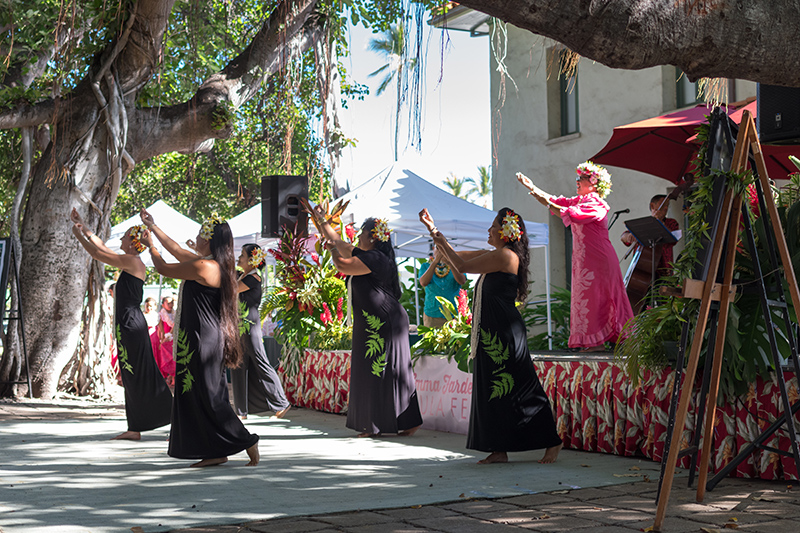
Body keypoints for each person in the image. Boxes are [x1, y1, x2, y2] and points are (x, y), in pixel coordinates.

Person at [419, 207, 562, 465]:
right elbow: (455, 257)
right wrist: (435, 234)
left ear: (504, 232)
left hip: (505, 333)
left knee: (522, 385)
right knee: (493, 390)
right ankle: (499, 449)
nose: (488, 230)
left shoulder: (505, 256)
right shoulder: (493, 255)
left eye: (492, 226)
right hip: (490, 332)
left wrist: (439, 238)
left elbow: (460, 264)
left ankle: (552, 441)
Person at [139, 208, 259, 467]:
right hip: (201, 338)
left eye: (199, 235)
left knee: (208, 395)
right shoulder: (216, 265)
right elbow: (178, 251)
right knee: (200, 394)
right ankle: (214, 450)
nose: (195, 238)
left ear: (207, 239)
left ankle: (246, 439)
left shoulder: (204, 266)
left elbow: (162, 267)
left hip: (201, 340)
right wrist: (154, 226)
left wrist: (150, 246)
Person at [309, 207, 422, 438]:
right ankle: (404, 421)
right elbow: (338, 240)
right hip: (379, 320)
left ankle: (376, 424)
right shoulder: (369, 255)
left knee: (378, 369)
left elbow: (342, 264)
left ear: (372, 237)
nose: (358, 236)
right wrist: (321, 221)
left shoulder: (375, 258)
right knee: (386, 369)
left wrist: (331, 250)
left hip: (383, 321)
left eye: (361, 233)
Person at [70, 209, 172, 440]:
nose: (121, 239)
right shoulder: (128, 261)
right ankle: (135, 427)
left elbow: (97, 254)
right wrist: (83, 226)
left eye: (125, 236)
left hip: (131, 324)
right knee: (131, 374)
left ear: (134, 242)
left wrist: (78, 237)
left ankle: (175, 418)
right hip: (126, 324)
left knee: (143, 373)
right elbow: (103, 249)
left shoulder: (132, 261)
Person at [517, 162, 633, 352]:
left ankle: (597, 343)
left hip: (599, 261)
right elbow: (556, 202)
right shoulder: (579, 201)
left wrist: (543, 198)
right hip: (585, 260)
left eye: (581, 179)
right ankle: (593, 342)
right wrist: (533, 188)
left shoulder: (596, 204)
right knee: (588, 298)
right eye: (578, 178)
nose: (577, 182)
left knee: (597, 298)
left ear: (593, 184)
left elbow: (566, 212)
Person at [230, 243, 291, 420]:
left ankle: (281, 402)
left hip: (250, 325)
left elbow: (231, 289)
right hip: (238, 326)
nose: (239, 258)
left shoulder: (253, 278)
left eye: (242, 255)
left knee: (261, 361)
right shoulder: (241, 275)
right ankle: (240, 411)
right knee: (237, 365)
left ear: (252, 259)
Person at [620, 194, 680, 279]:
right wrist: (628, 236)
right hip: (641, 271)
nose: (666, 208)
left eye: (667, 205)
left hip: (664, 271)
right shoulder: (644, 223)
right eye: (663, 205)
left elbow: (673, 239)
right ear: (652, 206)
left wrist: (660, 222)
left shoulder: (671, 223)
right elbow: (623, 237)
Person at [419, 248, 466, 327]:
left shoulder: (457, 265)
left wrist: (450, 263)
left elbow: (462, 281)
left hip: (453, 314)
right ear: (434, 251)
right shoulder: (425, 266)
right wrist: (435, 261)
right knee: (431, 339)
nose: (441, 251)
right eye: (438, 248)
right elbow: (423, 282)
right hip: (432, 314)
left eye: (443, 248)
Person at [151, 295, 176, 383]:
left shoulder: (175, 313)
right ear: (163, 304)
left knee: (173, 357)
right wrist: (162, 338)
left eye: (172, 302)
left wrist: (170, 335)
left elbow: (174, 325)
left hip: (173, 336)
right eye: (168, 303)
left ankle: (173, 377)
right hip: (165, 337)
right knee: (165, 357)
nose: (170, 304)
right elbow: (160, 326)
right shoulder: (162, 313)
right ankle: (168, 375)